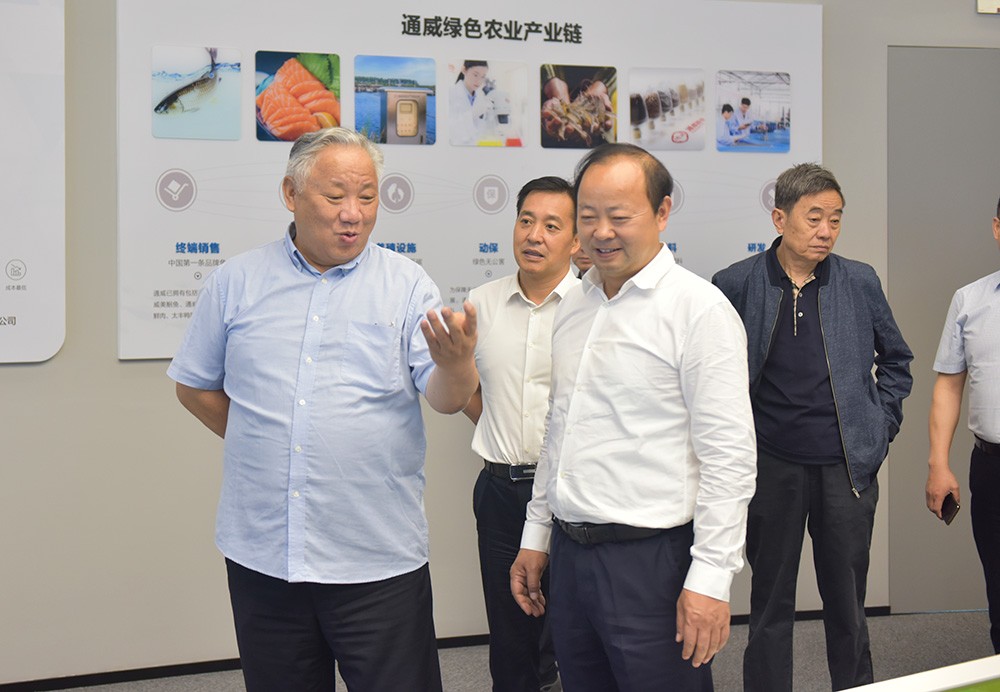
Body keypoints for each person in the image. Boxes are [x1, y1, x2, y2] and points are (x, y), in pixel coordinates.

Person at [166, 127, 479, 692]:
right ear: (291, 194)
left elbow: (446, 398)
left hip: (376, 557)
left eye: (367, 197)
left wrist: (457, 365)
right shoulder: (236, 282)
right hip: (265, 553)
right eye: (335, 197)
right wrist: (267, 442)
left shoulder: (407, 286)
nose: (352, 214)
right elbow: (194, 386)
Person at [510, 143, 757, 691]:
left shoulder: (699, 310)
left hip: (653, 566)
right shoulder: (575, 304)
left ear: (662, 212)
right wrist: (537, 534)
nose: (601, 232)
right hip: (571, 558)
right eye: (588, 216)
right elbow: (559, 432)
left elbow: (730, 459)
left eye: (619, 217)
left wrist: (711, 579)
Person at [712, 163, 914, 692]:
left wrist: (879, 428)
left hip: (845, 470)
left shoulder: (859, 280)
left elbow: (897, 361)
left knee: (848, 605)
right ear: (780, 218)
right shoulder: (735, 283)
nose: (826, 231)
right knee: (769, 602)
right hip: (770, 467)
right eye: (814, 217)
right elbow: (714, 378)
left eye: (836, 219)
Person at [464, 176, 580, 692]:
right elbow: (466, 388)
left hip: (574, 493)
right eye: (526, 220)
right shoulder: (481, 302)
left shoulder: (593, 306)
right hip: (501, 492)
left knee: (574, 631)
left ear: (576, 240)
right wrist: (501, 429)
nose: (534, 235)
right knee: (511, 635)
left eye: (552, 226)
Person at [925, 197, 1000, 653]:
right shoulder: (969, 300)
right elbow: (948, 387)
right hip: (991, 467)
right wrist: (939, 463)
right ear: (997, 228)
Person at [450, 60, 492, 145]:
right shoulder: (450, 94)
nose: (479, 81)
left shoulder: (481, 95)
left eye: (483, 76)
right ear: (464, 70)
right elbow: (449, 130)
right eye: (475, 75)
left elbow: (482, 128)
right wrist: (472, 114)